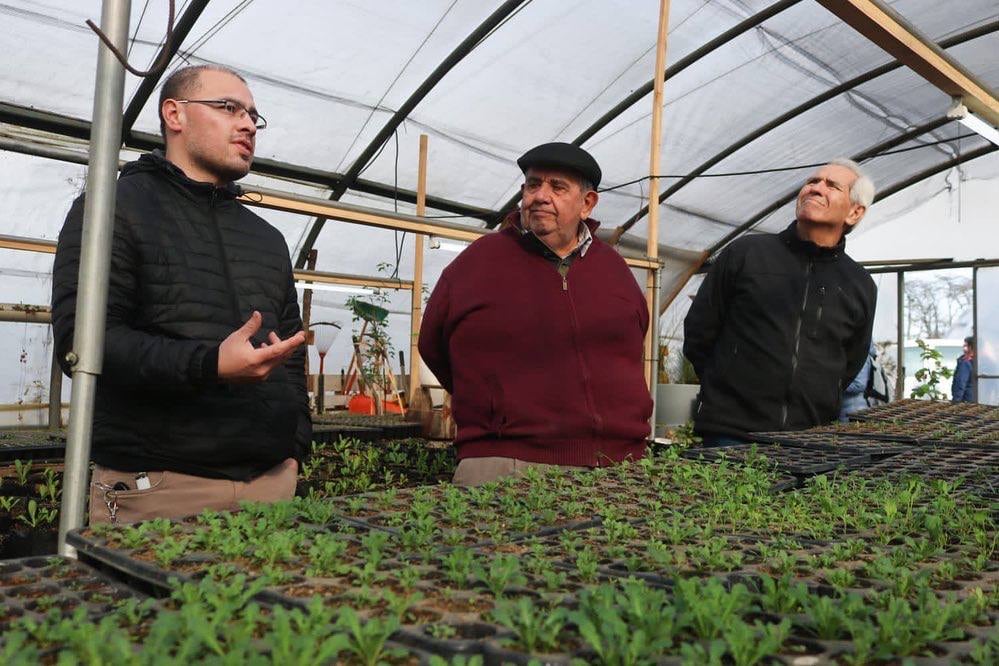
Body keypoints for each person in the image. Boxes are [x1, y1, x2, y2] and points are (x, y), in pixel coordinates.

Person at [52, 65, 310, 524]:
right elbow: (84, 344)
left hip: (271, 487)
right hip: (163, 489)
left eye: (253, 115)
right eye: (229, 108)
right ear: (175, 114)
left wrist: (294, 451)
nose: (248, 124)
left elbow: (290, 356)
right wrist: (208, 364)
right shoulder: (116, 208)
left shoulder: (266, 238)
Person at [418, 142, 652, 486]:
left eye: (557, 187)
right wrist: (494, 405)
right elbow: (433, 345)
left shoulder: (614, 270)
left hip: (618, 465)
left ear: (587, 203)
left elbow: (632, 345)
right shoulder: (476, 264)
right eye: (533, 184)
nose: (541, 196)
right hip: (503, 462)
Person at [684, 159, 877, 445]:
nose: (815, 188)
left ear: (854, 212)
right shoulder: (746, 254)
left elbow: (849, 364)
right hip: (730, 434)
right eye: (812, 181)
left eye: (832, 185)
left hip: (810, 442)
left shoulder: (859, 284)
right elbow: (700, 332)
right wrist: (726, 391)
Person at [952, 336, 975, 403]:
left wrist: (956, 401)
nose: (963, 348)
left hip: (966, 401)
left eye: (965, 346)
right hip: (976, 401)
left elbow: (960, 384)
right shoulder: (978, 362)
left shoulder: (965, 363)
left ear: (971, 347)